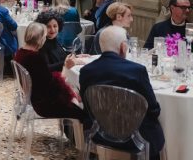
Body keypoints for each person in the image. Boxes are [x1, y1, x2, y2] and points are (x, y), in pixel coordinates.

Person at [79, 26, 165, 160]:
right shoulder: (137, 70)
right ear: (123, 47)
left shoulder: (86, 71)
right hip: (136, 138)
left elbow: (87, 107)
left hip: (99, 133)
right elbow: (154, 110)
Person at [13, 23, 89, 127]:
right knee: (83, 113)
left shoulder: (20, 52)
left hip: (33, 98)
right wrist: (66, 68)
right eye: (44, 37)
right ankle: (79, 141)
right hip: (44, 105)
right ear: (40, 39)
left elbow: (45, 79)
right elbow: (53, 88)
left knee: (75, 97)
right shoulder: (35, 58)